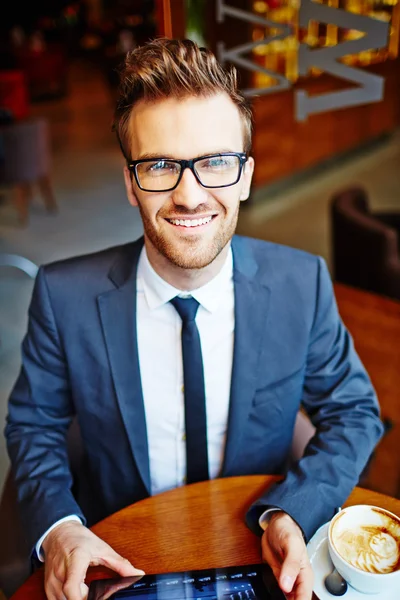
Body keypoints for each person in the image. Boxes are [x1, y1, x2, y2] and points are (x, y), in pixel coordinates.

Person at [5, 37, 384, 600]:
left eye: (215, 163)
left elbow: (354, 411)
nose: (189, 195)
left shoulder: (302, 284)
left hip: (258, 548)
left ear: (247, 176)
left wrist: (293, 511)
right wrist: (61, 529)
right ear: (131, 182)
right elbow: (33, 427)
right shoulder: (63, 297)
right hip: (121, 557)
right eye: (160, 164)